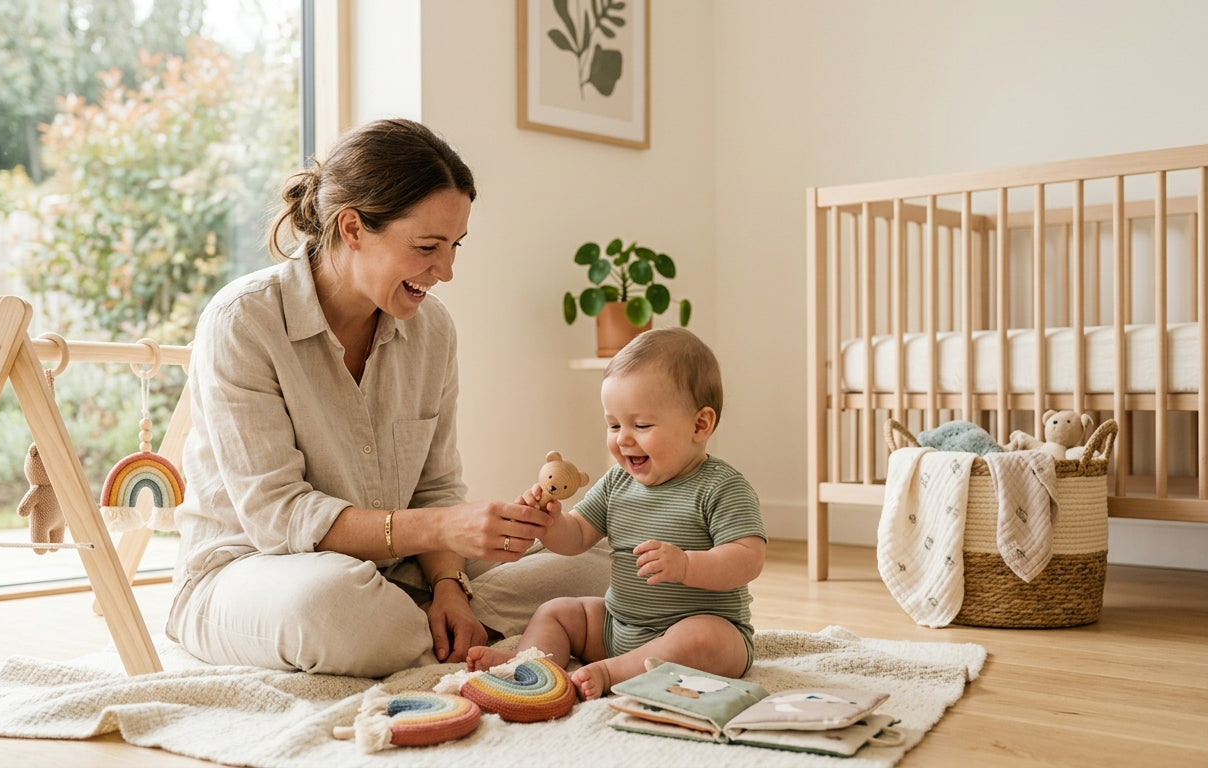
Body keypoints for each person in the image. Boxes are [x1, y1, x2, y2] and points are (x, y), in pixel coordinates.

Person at [165, 118, 609, 678]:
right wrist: (443, 530)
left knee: (605, 557)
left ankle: (438, 628)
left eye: (454, 247)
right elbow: (278, 520)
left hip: (400, 574)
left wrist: (450, 584)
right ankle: (506, 634)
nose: (445, 271)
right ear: (352, 228)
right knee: (329, 607)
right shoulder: (244, 321)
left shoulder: (433, 331)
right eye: (427, 247)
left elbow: (436, 486)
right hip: (256, 574)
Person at [467, 327, 766, 699]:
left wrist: (688, 565)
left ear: (699, 425)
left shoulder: (721, 487)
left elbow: (748, 558)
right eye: (614, 424)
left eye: (641, 425)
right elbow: (577, 536)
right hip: (616, 626)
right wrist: (551, 523)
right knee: (558, 611)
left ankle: (614, 673)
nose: (623, 438)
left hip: (692, 628)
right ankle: (531, 662)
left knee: (707, 639)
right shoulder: (616, 481)